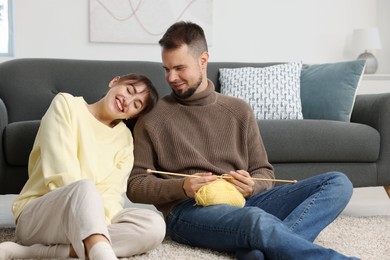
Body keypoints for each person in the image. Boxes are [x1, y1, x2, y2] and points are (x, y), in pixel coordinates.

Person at [126, 21, 358, 260]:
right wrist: (182, 187)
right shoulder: (152, 117)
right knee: (255, 220)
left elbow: (263, 171)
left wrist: (253, 185)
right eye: (166, 69)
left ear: (203, 60)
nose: (171, 77)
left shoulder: (239, 110)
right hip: (189, 210)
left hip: (245, 201)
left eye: (179, 68)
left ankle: (258, 250)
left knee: (338, 183)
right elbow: (135, 185)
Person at [0, 73, 165, 260]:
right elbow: (59, 171)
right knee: (85, 188)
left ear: (132, 116)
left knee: (154, 225)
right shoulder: (66, 104)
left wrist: (95, 223)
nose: (127, 101)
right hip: (41, 216)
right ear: (114, 81)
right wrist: (89, 217)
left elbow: (111, 194)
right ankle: (101, 253)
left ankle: (35, 252)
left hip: (89, 222)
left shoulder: (125, 140)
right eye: (129, 90)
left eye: (136, 105)